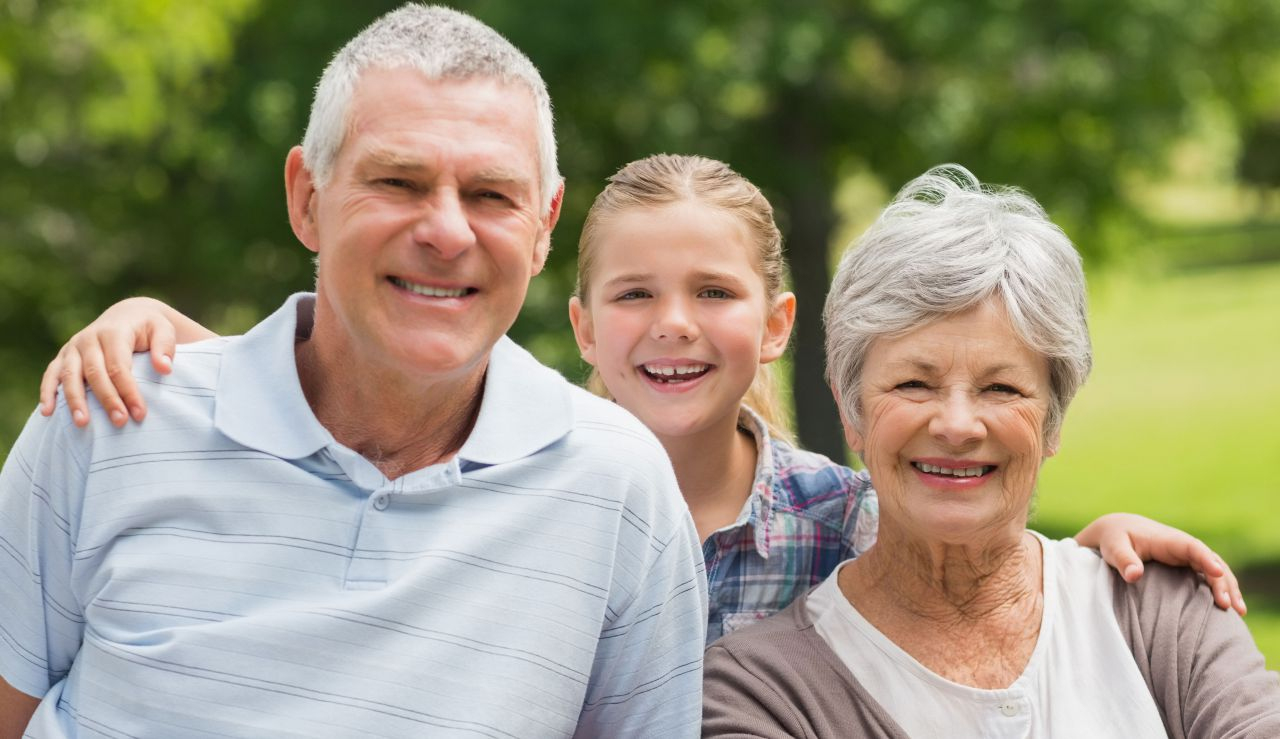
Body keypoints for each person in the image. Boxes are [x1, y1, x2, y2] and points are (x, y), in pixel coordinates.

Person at [38, 156, 1245, 649]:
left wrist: (1088, 555)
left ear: (774, 326)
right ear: (578, 326)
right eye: (632, 294)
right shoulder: (496, 487)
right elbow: (337, 405)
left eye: (713, 291)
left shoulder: (843, 522)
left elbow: (971, 554)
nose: (672, 323)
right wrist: (165, 335)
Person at [0, 6, 708, 738]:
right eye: (399, 181)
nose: (445, 231)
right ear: (308, 198)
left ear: (544, 226)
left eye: (491, 195)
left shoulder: (617, 486)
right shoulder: (111, 415)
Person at [701, 165, 1280, 737]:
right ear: (851, 411)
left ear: (1053, 420)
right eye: (914, 384)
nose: (957, 425)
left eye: (1001, 388)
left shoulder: (1162, 612)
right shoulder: (762, 693)